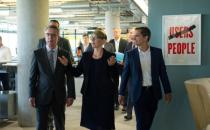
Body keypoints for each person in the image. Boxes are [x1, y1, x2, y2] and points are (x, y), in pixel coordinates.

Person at [59, 30, 118, 130]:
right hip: (89, 94)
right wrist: (67, 65)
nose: (92, 40)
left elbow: (115, 77)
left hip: (105, 95)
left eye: (95, 38)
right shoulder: (86, 56)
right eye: (92, 38)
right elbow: (77, 72)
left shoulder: (110, 56)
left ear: (103, 41)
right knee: (92, 122)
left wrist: (112, 66)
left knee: (104, 122)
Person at [118, 27, 172, 130]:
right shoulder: (130, 54)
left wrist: (167, 91)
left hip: (153, 92)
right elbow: (125, 75)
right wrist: (121, 93)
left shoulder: (157, 53)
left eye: (137, 35)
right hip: (138, 93)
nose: (134, 37)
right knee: (141, 121)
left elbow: (163, 73)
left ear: (146, 37)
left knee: (149, 120)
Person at [29, 25, 75, 130]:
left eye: (53, 35)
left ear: (58, 37)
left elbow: (70, 76)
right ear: (45, 36)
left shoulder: (65, 54)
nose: (50, 37)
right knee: (41, 125)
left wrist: (71, 95)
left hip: (59, 95)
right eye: (48, 35)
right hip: (42, 94)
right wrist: (31, 95)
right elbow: (32, 76)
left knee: (60, 125)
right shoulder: (37, 54)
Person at [108, 27, 128, 111]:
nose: (115, 33)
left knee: (124, 86)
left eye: (117, 32)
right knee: (114, 86)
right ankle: (116, 103)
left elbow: (127, 54)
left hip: (122, 66)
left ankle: (124, 104)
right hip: (113, 67)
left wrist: (124, 62)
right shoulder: (110, 42)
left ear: (120, 33)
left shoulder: (125, 42)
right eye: (114, 32)